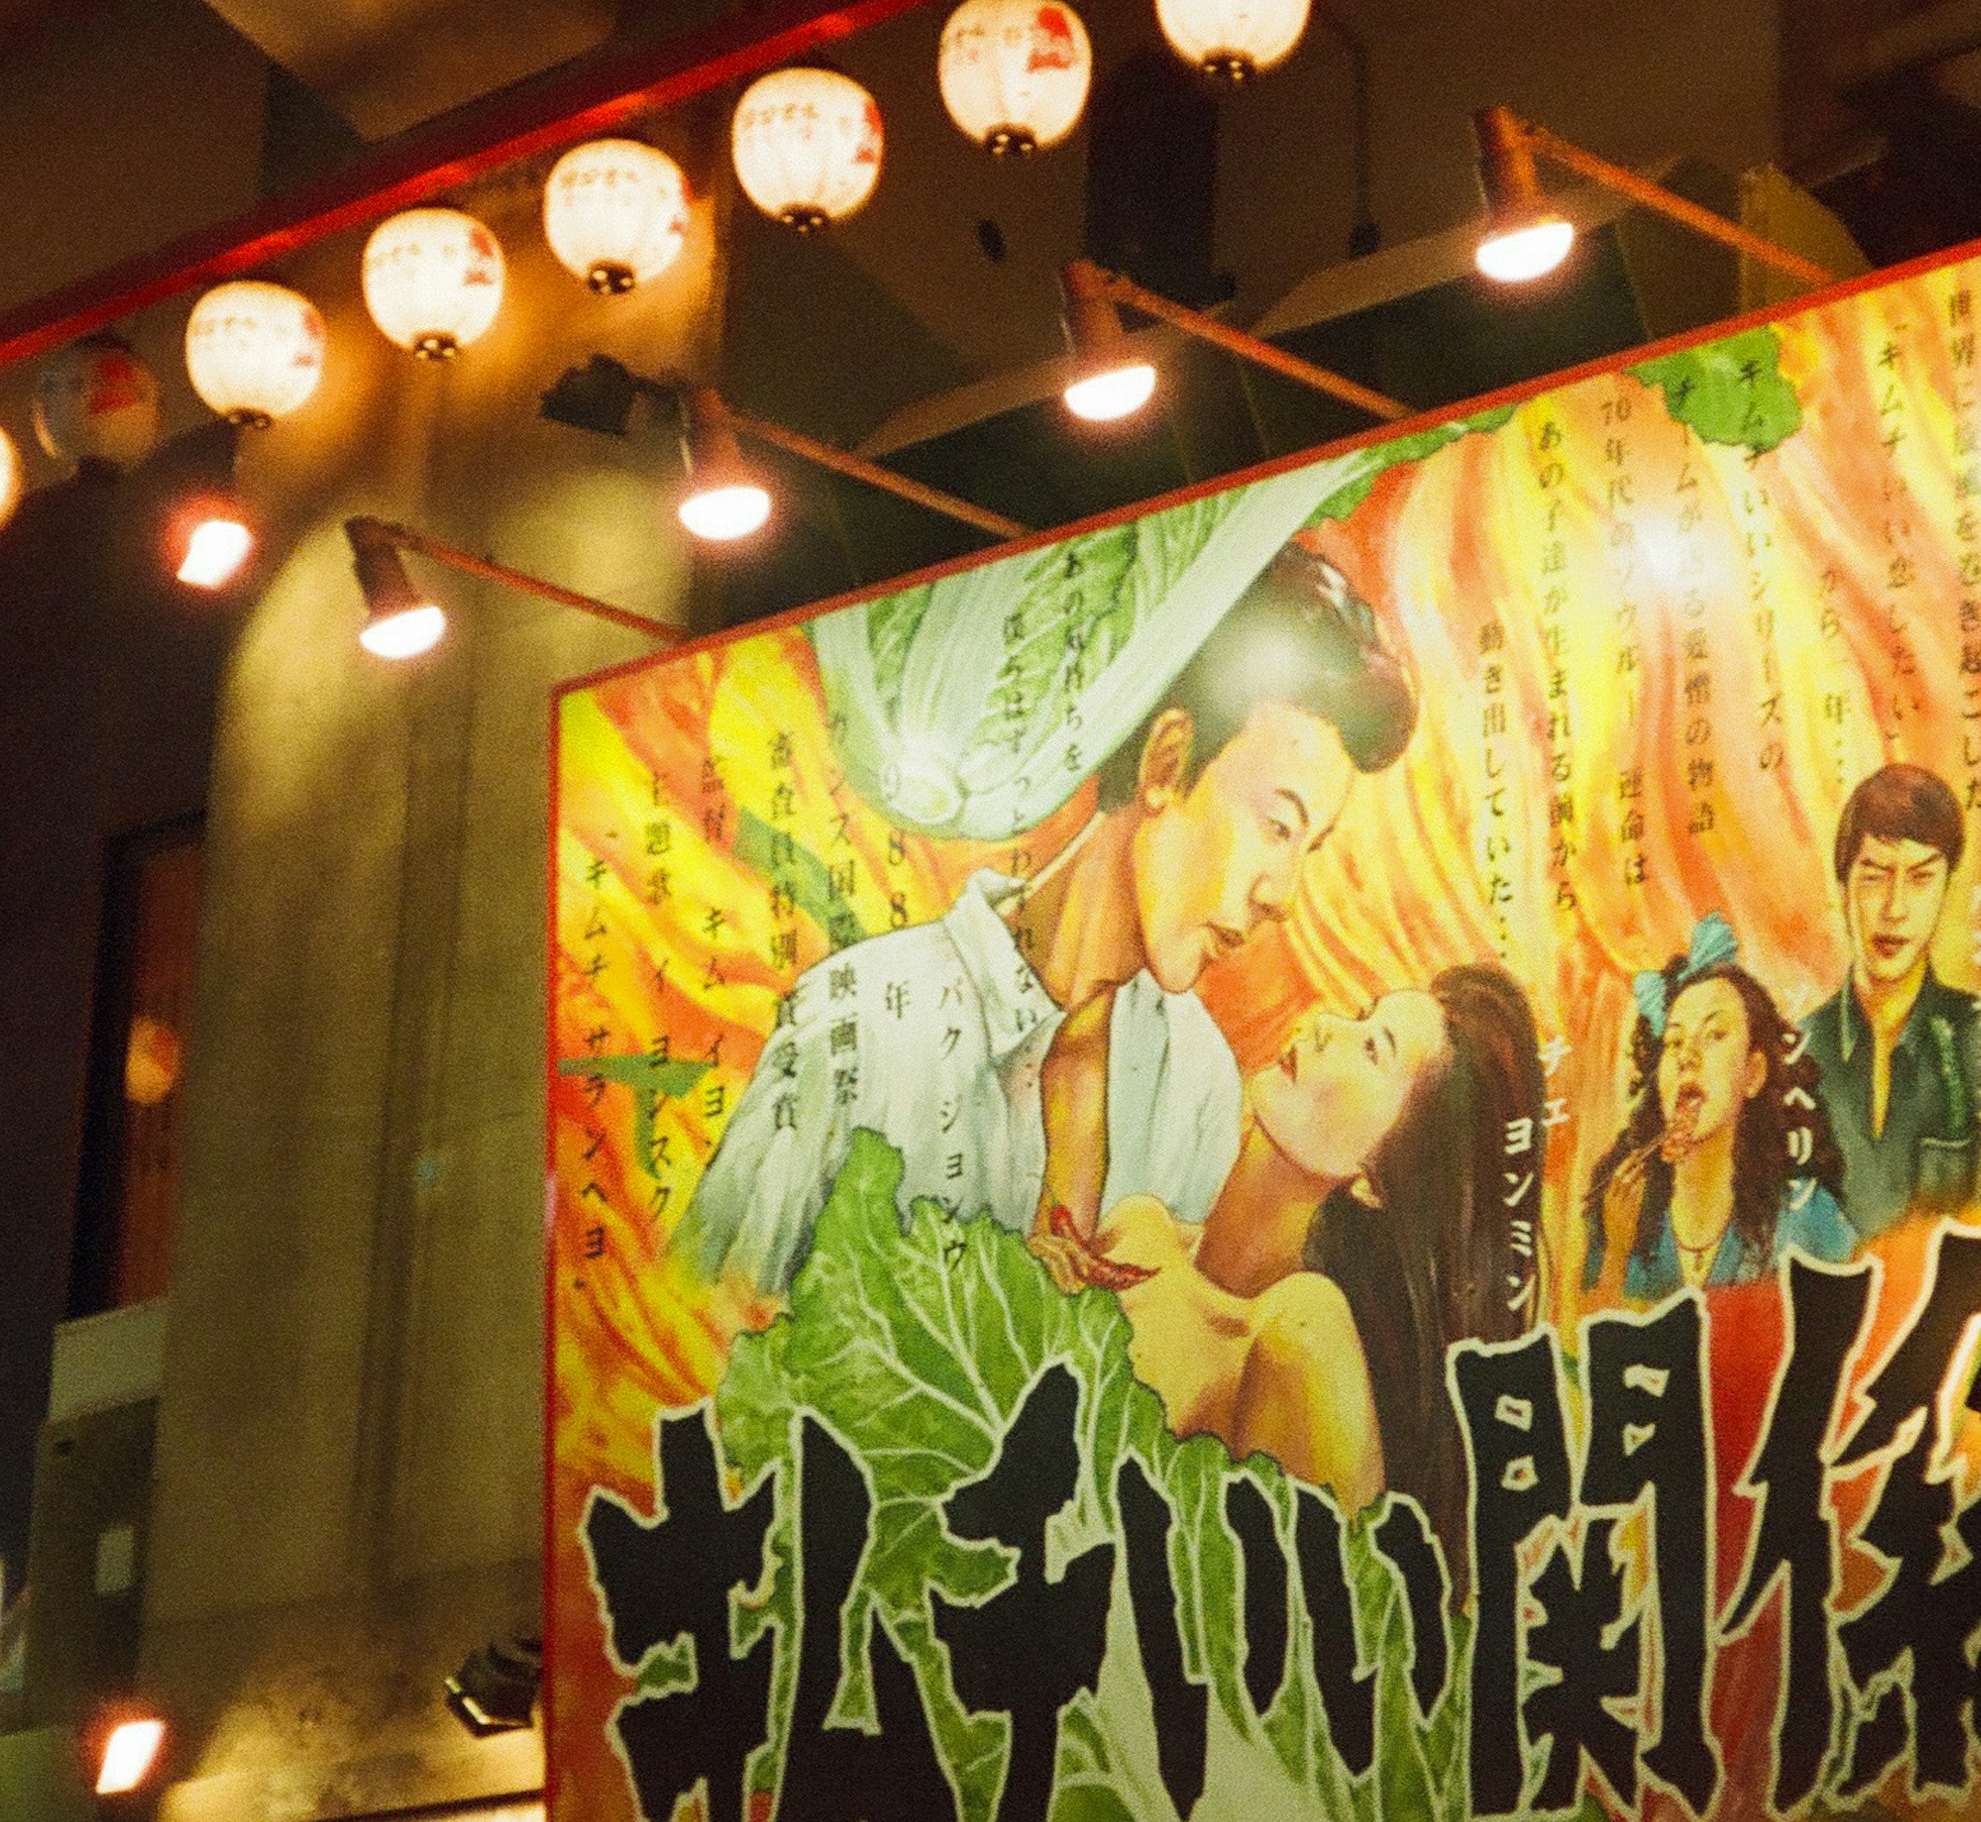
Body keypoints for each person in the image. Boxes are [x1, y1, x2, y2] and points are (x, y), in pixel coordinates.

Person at [684, 546, 1416, 1300]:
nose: (1283, 894)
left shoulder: (1198, 1079)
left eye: (1310, 847)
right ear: (1166, 764)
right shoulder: (857, 1022)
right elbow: (708, 1337)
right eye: (1276, 826)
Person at [1073, 966, 1542, 1534]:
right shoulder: (1138, 1228)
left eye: (1373, 1050)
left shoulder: (1302, 1337)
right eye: (1360, 1014)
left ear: (1377, 1179)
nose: (1325, 1027)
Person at [1584, 916, 1853, 1301]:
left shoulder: (1807, 1217)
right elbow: (1585, 1345)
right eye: (1674, 1042)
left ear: (1753, 1073)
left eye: (1714, 1035)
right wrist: (1616, 1254)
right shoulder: (1622, 1219)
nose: (1687, 1057)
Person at [1800, 763, 1981, 1241]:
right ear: (1843, 888)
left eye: (1920, 878)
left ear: (1945, 889)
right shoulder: (1796, 1053)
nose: (1895, 908)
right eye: (1873, 876)